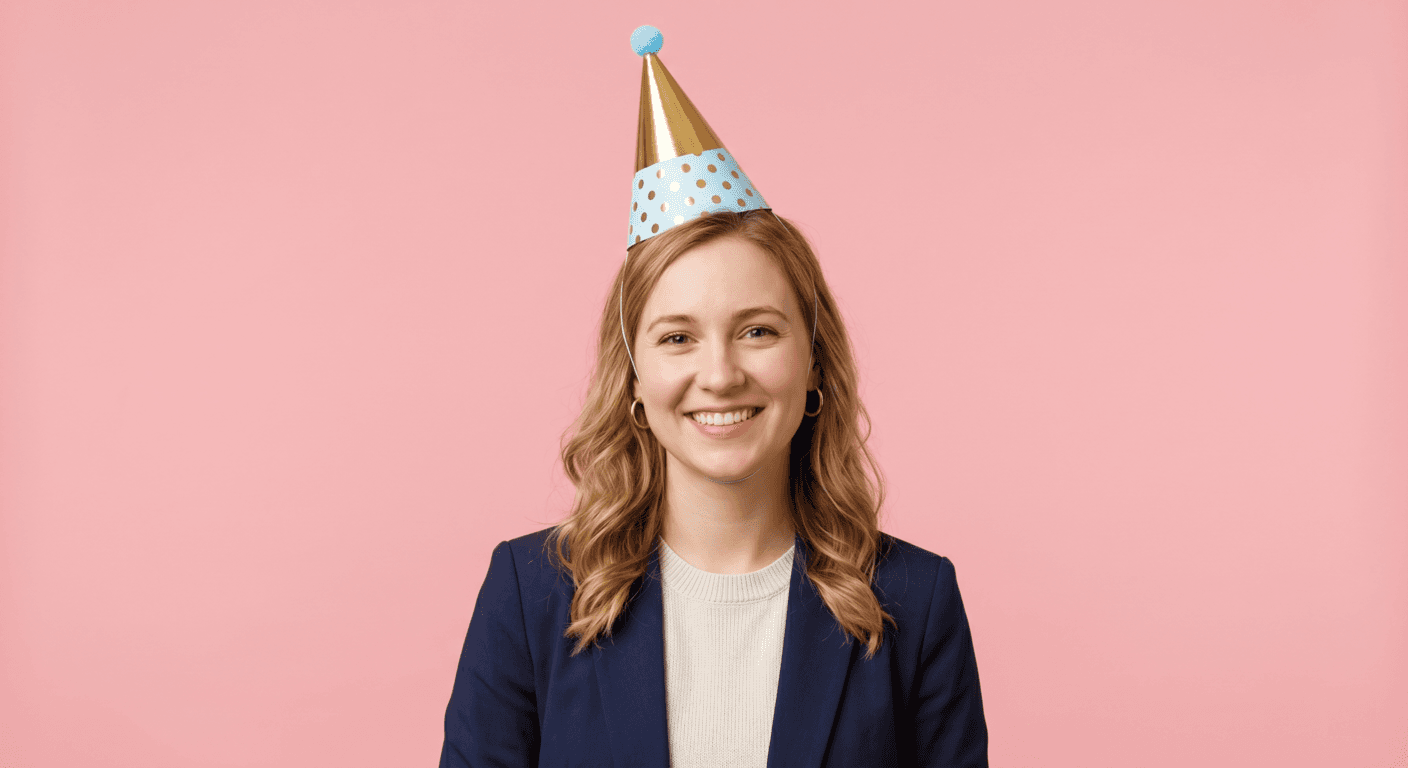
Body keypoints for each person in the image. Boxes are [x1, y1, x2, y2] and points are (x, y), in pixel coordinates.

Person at [439, 25, 988, 768]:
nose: (721, 374)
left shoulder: (916, 604)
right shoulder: (530, 595)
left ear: (814, 359)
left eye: (757, 331)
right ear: (633, 378)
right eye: (677, 338)